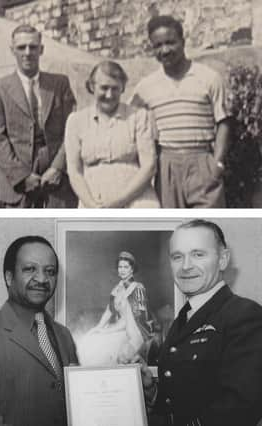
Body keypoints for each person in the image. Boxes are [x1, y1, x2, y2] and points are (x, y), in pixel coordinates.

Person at [134, 219, 262, 425]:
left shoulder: (244, 315)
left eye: (198, 254)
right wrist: (152, 392)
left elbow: (240, 407)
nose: (185, 266)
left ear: (223, 259)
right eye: (177, 257)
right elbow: (179, 402)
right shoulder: (182, 320)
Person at [0, 236, 78, 425]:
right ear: (9, 277)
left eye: (50, 271)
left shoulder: (64, 336)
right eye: (30, 269)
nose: (42, 279)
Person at [131, 16, 231, 208]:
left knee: (209, 222)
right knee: (172, 224)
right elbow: (128, 119)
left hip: (202, 161)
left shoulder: (209, 77)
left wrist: (217, 163)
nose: (165, 50)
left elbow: (224, 121)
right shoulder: (146, 86)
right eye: (157, 45)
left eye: (170, 42)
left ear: (183, 42)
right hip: (166, 164)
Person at [0, 24, 77, 208]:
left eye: (33, 47)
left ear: (41, 49)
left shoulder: (60, 84)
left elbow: (73, 129)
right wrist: (21, 176)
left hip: (56, 178)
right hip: (18, 183)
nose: (27, 53)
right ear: (12, 51)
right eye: (21, 47)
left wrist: (58, 167)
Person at [65, 61, 159, 208]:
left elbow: (149, 166)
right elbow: (74, 171)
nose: (109, 95)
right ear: (91, 86)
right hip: (93, 202)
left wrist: (118, 202)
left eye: (115, 88)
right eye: (104, 88)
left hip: (137, 200)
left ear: (122, 88)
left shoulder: (138, 117)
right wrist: (92, 206)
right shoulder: (76, 121)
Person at [81, 251, 159, 365]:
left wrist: (108, 330)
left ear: (132, 269)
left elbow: (136, 319)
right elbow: (109, 311)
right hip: (119, 327)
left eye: (126, 267)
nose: (122, 270)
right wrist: (98, 327)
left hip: (134, 331)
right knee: (93, 339)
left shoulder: (137, 288)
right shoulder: (117, 289)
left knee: (113, 351)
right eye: (120, 267)